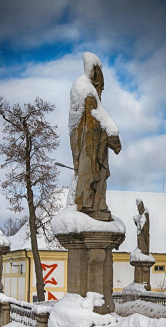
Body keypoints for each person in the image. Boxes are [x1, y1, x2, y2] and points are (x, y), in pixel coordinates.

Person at [69, 52, 121, 221]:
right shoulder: (85, 91)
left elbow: (99, 119)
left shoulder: (87, 91)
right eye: (101, 84)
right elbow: (84, 125)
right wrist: (76, 154)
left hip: (91, 146)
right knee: (91, 175)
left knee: (97, 175)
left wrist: (109, 133)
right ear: (94, 72)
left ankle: (95, 204)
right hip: (88, 148)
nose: (102, 88)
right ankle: (89, 205)